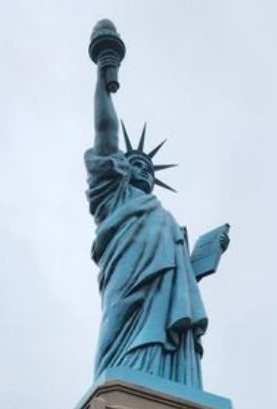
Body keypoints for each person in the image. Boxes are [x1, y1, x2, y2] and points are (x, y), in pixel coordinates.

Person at [85, 63, 229, 389]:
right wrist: (103, 76)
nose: (145, 171)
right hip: (126, 286)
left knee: (169, 339)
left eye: (150, 169)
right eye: (137, 164)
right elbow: (106, 135)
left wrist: (201, 262)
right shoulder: (114, 197)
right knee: (116, 339)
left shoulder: (165, 217)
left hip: (162, 307)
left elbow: (174, 281)